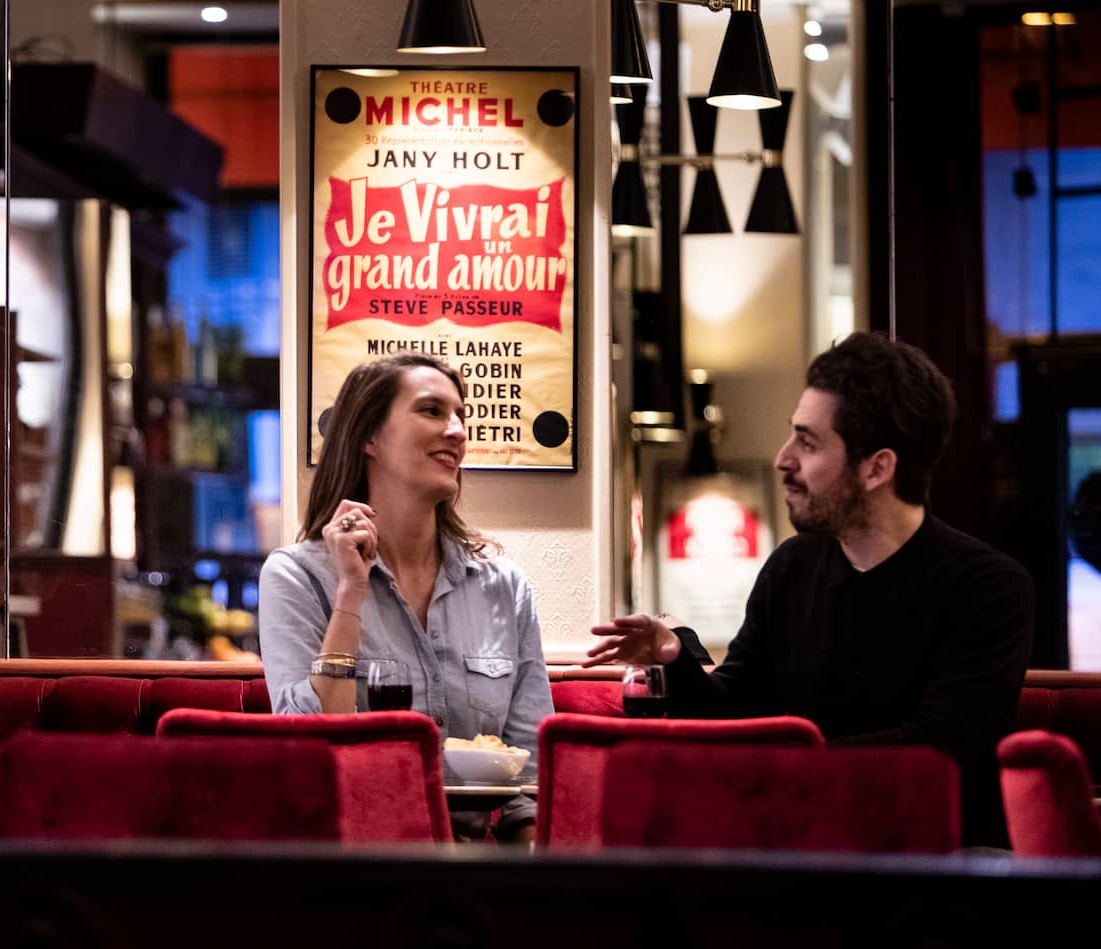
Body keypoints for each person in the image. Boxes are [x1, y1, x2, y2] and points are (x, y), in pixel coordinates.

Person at [588, 333, 1035, 848]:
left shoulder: (989, 587)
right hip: (801, 847)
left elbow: (939, 749)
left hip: (937, 862)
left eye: (807, 442)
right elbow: (736, 709)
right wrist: (675, 659)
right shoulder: (792, 568)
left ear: (877, 468)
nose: (782, 459)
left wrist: (778, 765)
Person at [259, 353, 553, 842]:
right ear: (370, 437)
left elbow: (532, 775)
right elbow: (308, 741)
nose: (457, 431)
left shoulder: (504, 586)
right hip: (357, 866)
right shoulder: (295, 576)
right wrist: (351, 591)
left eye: (462, 416)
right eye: (433, 411)